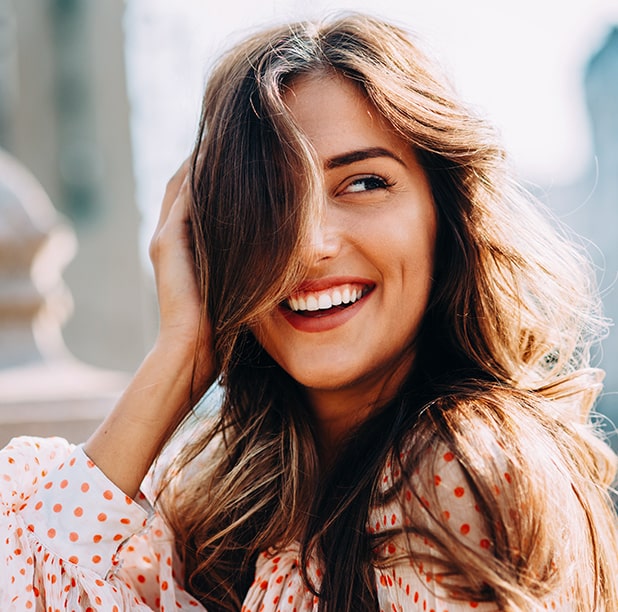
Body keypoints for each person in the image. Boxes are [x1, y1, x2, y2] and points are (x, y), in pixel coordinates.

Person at [2, 13, 617, 612]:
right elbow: (29, 577)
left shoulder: (449, 476)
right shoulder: (230, 509)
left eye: (364, 182)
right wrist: (180, 357)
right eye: (270, 198)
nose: (308, 242)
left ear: (445, 217)